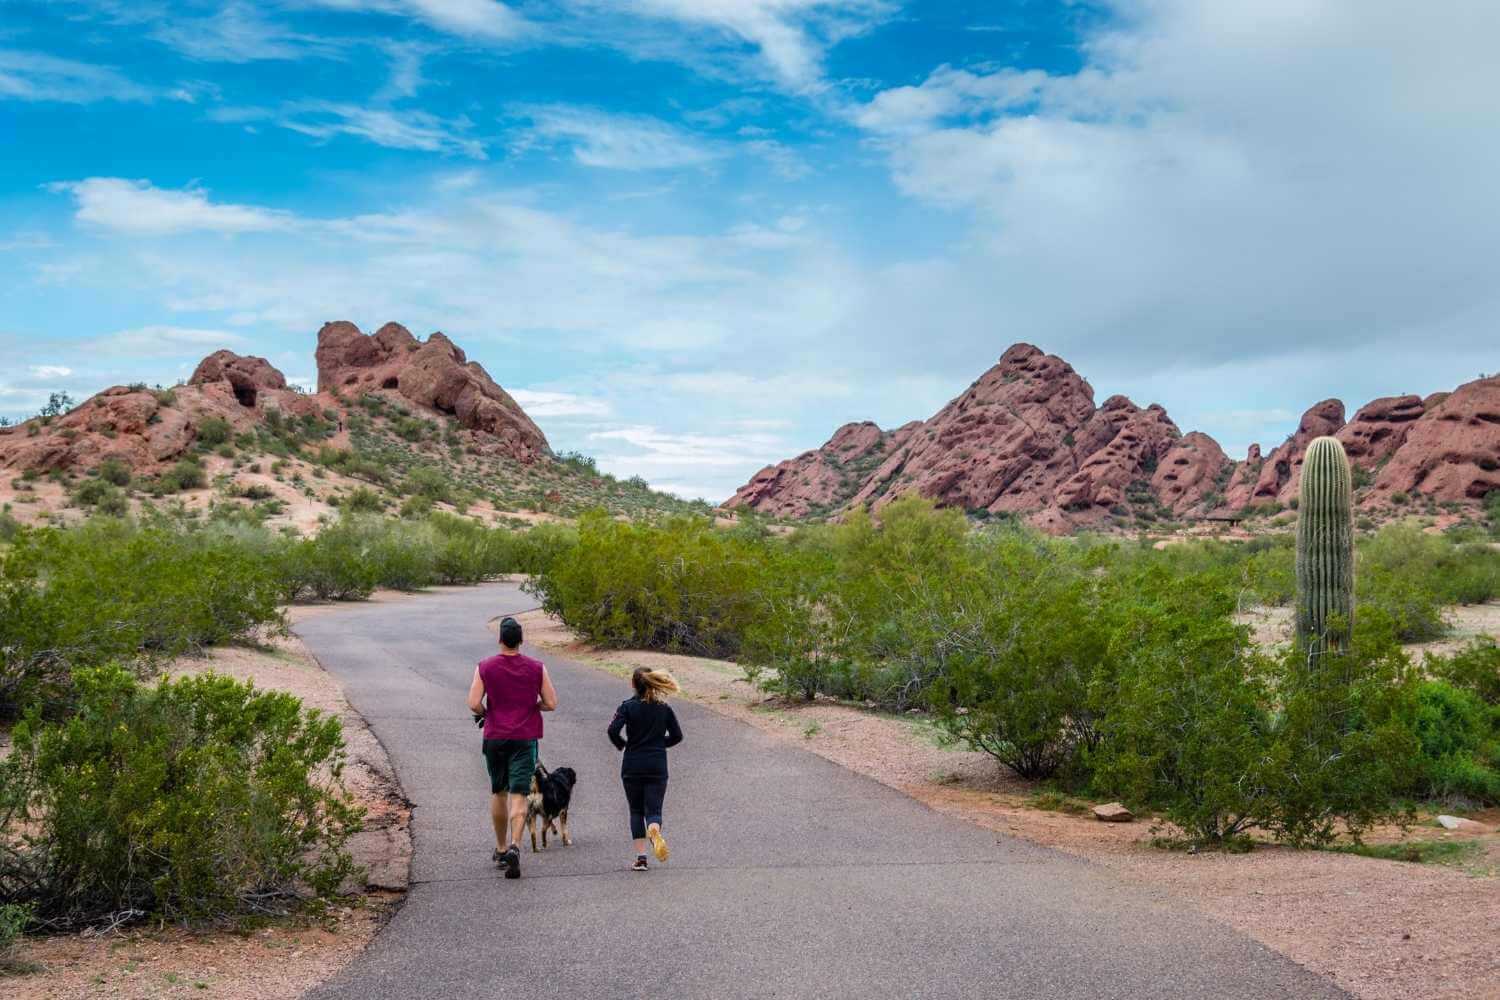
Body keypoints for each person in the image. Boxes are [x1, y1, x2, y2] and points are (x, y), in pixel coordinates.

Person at [467, 615, 557, 879]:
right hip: (524, 737)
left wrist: (487, 712)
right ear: (521, 640)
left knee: (499, 791)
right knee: (519, 793)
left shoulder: (485, 667)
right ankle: (516, 846)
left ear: (499, 640)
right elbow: (551, 703)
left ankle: (501, 846)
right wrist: (533, 706)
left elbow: (473, 703)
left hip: (495, 736)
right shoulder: (537, 667)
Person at [607, 667, 683, 871]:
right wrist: (659, 744)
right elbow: (677, 735)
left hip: (632, 763)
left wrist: (623, 744)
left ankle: (641, 858)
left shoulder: (627, 707)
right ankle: (654, 830)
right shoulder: (663, 708)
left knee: (636, 810)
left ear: (633, 684)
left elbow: (613, 730)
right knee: (654, 810)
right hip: (656, 764)